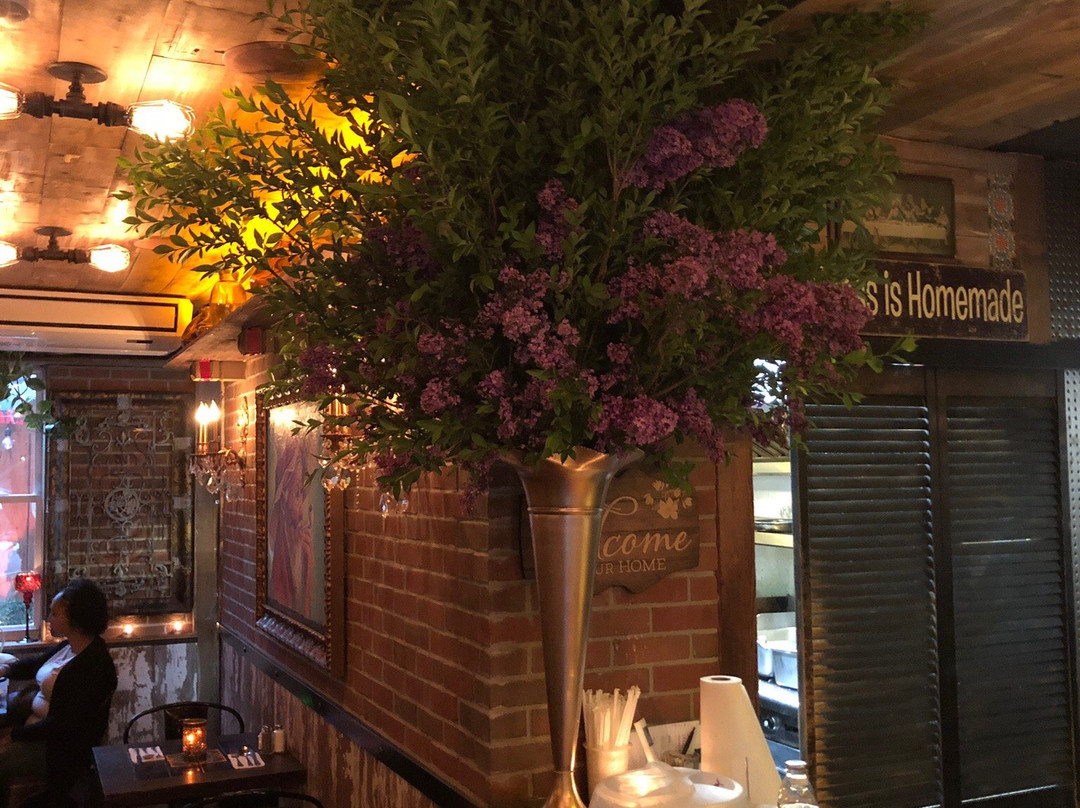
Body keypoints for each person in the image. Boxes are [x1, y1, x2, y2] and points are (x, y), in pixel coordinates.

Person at [0, 578, 117, 808]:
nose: (48, 619)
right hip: (36, 734)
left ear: (76, 619)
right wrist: (5, 669)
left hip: (57, 752)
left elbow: (61, 724)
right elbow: (35, 664)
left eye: (54, 613)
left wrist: (13, 735)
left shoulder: (94, 665)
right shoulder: (68, 646)